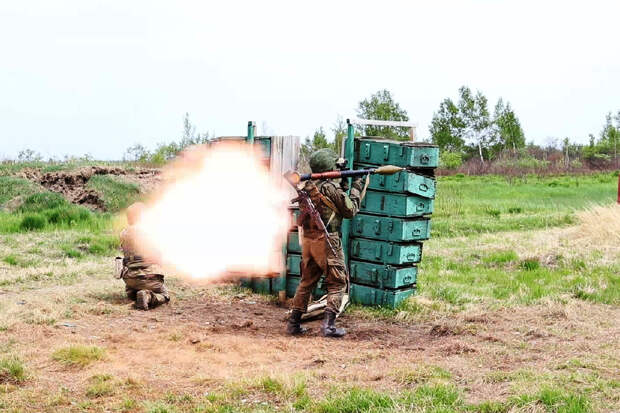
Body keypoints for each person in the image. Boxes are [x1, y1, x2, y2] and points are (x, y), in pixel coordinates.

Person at [287, 149, 363, 337]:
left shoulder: (309, 187)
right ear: (330, 166)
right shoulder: (330, 188)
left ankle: (293, 324)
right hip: (328, 241)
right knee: (337, 283)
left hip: (311, 242)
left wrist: (343, 183)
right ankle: (328, 326)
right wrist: (357, 187)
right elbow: (350, 210)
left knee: (307, 282)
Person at [119, 202, 170, 310]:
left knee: (134, 291)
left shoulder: (123, 233)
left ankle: (134, 293)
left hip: (130, 278)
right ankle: (148, 296)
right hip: (150, 277)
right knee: (165, 295)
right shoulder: (150, 231)